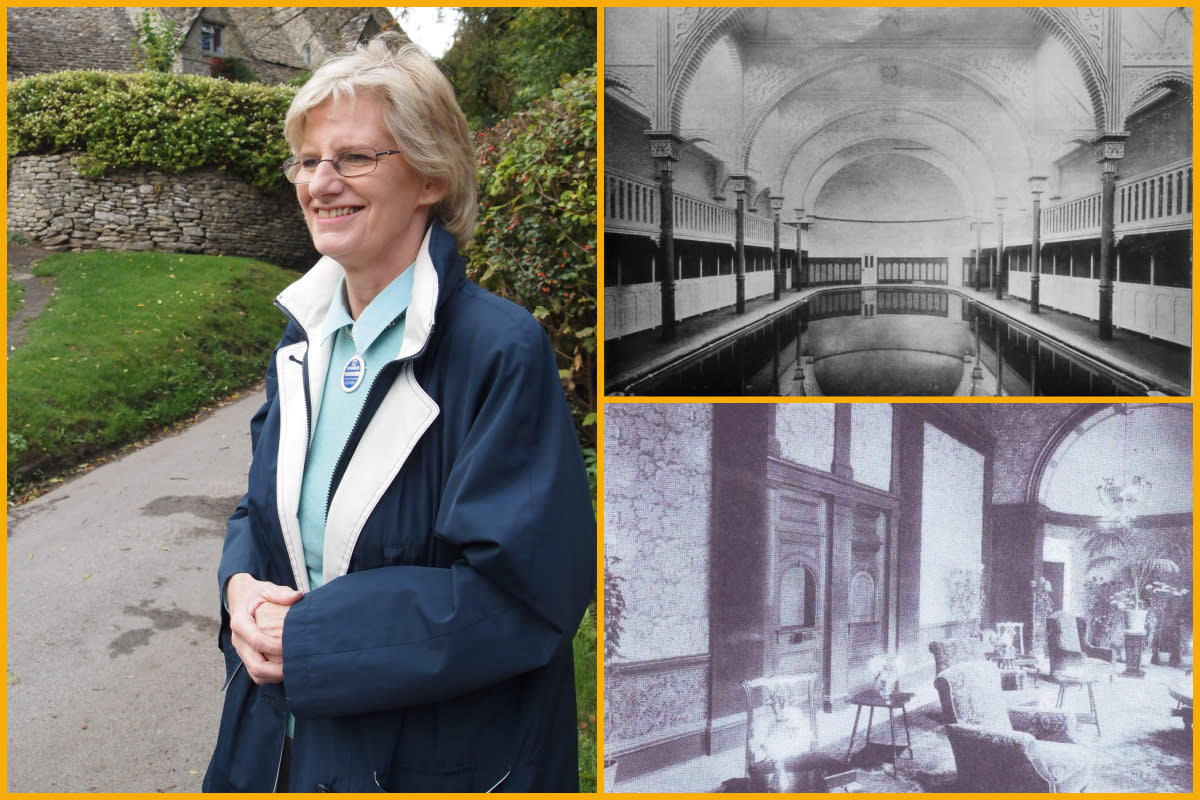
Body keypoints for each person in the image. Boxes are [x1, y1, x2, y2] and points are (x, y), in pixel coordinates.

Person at [202, 33, 596, 793]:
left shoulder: (499, 351)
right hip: (274, 752)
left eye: (353, 158)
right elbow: (258, 512)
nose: (321, 182)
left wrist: (310, 639)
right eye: (308, 160)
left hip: (425, 765)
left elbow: (526, 598)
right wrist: (238, 589)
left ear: (430, 177)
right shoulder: (304, 336)